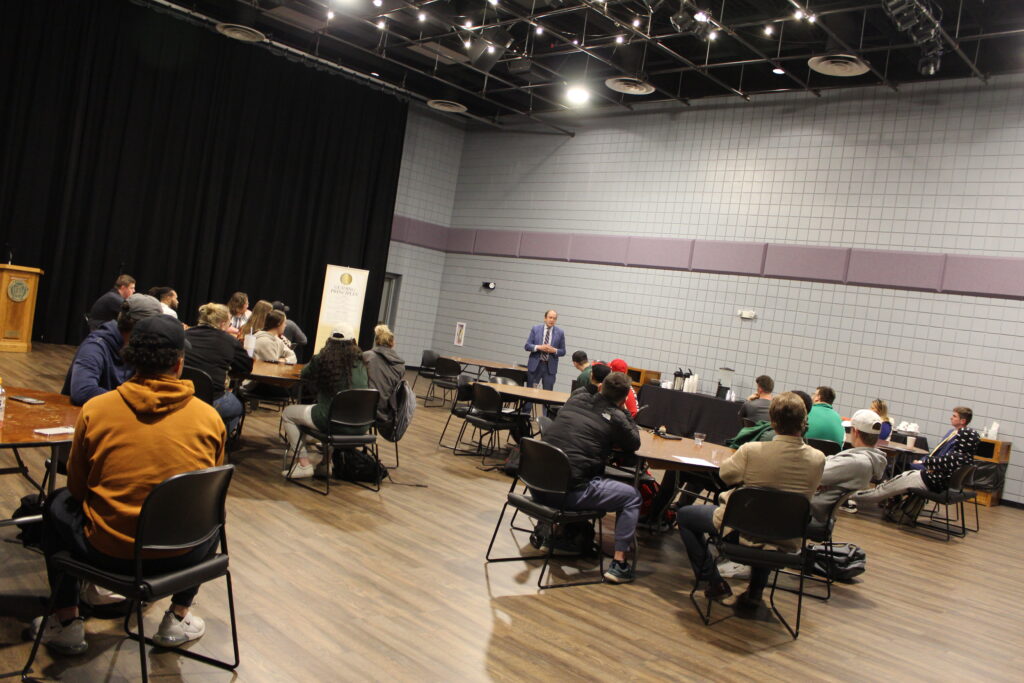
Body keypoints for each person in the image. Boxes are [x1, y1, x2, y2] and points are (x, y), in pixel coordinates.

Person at [33, 315, 226, 655]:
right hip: (183, 556)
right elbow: (210, 493)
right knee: (211, 515)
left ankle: (67, 623)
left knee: (54, 504)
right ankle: (178, 616)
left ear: (129, 358)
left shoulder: (96, 410)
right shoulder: (210, 418)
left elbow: (77, 489)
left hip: (109, 553)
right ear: (179, 364)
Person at [676, 392, 825, 611]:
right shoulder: (818, 459)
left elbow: (726, 475)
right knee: (772, 518)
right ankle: (755, 591)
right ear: (804, 421)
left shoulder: (751, 451)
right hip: (786, 537)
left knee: (685, 516)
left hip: (740, 529)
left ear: (772, 422)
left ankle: (713, 581)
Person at [534, 372, 642, 584]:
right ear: (623, 398)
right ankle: (619, 564)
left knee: (578, 470)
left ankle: (555, 536)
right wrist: (626, 412)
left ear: (601, 387)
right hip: (567, 494)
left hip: (535, 484)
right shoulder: (617, 416)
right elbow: (634, 443)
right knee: (631, 497)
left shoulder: (576, 398)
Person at [281, 323, 369, 479]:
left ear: (330, 341)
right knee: (335, 411)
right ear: (353, 342)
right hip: (361, 424)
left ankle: (303, 464)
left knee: (288, 413)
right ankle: (325, 464)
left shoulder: (323, 359)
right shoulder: (361, 362)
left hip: (331, 420)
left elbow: (305, 373)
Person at [852, 406, 980, 511]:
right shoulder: (967, 459)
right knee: (892, 483)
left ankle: (853, 497)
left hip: (930, 480)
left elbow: (940, 462)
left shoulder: (956, 458)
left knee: (886, 488)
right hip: (934, 480)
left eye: (954, 416)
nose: (951, 418)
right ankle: (893, 500)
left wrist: (924, 461)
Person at [62, 294, 164, 406]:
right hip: (86, 418)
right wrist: (135, 401)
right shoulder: (95, 346)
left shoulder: (139, 347)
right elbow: (83, 391)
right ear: (139, 328)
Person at [185, 303, 253, 435]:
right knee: (237, 407)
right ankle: (216, 443)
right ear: (222, 323)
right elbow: (246, 367)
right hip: (212, 399)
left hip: (182, 394)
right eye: (229, 324)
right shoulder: (229, 341)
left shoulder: (185, 334)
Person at [812, 409, 887, 521]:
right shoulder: (868, 459)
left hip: (811, 510)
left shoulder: (856, 462)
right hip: (819, 508)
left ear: (855, 432)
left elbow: (813, 474)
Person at [363, 324, 406, 425]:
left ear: (376, 341)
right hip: (385, 415)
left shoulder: (366, 356)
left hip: (363, 410)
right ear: (392, 343)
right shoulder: (400, 366)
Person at [524, 309, 566, 392]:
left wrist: (554, 350)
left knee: (547, 395)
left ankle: (545, 405)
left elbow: (563, 351)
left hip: (549, 368)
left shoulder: (560, 332)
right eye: (550, 317)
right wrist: (539, 347)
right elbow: (527, 346)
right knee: (529, 393)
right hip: (535, 366)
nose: (552, 320)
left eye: (554, 318)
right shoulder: (535, 329)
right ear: (545, 318)